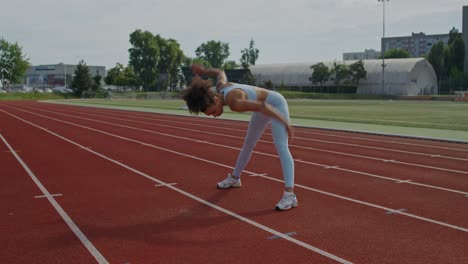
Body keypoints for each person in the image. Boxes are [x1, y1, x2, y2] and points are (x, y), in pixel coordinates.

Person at [181, 64, 297, 210]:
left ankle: (290, 195)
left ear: (216, 100)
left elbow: (262, 106)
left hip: (275, 104)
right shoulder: (220, 87)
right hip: (261, 105)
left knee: (281, 146)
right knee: (248, 144)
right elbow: (220, 71)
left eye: (212, 112)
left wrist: (285, 123)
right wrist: (204, 71)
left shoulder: (235, 103)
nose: (214, 116)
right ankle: (235, 178)